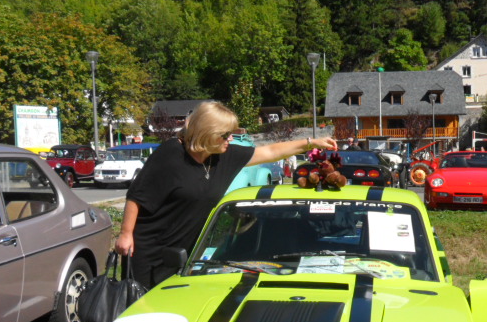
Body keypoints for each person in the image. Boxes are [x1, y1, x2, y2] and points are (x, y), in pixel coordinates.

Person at [115, 101, 337, 289]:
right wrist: (125, 234)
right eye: (224, 135)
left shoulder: (223, 156)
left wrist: (311, 143)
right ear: (207, 133)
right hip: (149, 252)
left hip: (184, 254)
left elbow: (270, 151)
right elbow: (137, 196)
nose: (230, 139)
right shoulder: (171, 153)